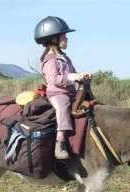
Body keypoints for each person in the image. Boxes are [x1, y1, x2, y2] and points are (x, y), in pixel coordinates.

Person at [34, 16, 91, 160]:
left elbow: (73, 73)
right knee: (63, 107)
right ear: (54, 39)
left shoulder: (65, 58)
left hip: (70, 91)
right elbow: (55, 80)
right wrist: (73, 77)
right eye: (64, 36)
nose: (67, 39)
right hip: (57, 93)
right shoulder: (50, 59)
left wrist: (81, 76)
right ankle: (60, 143)